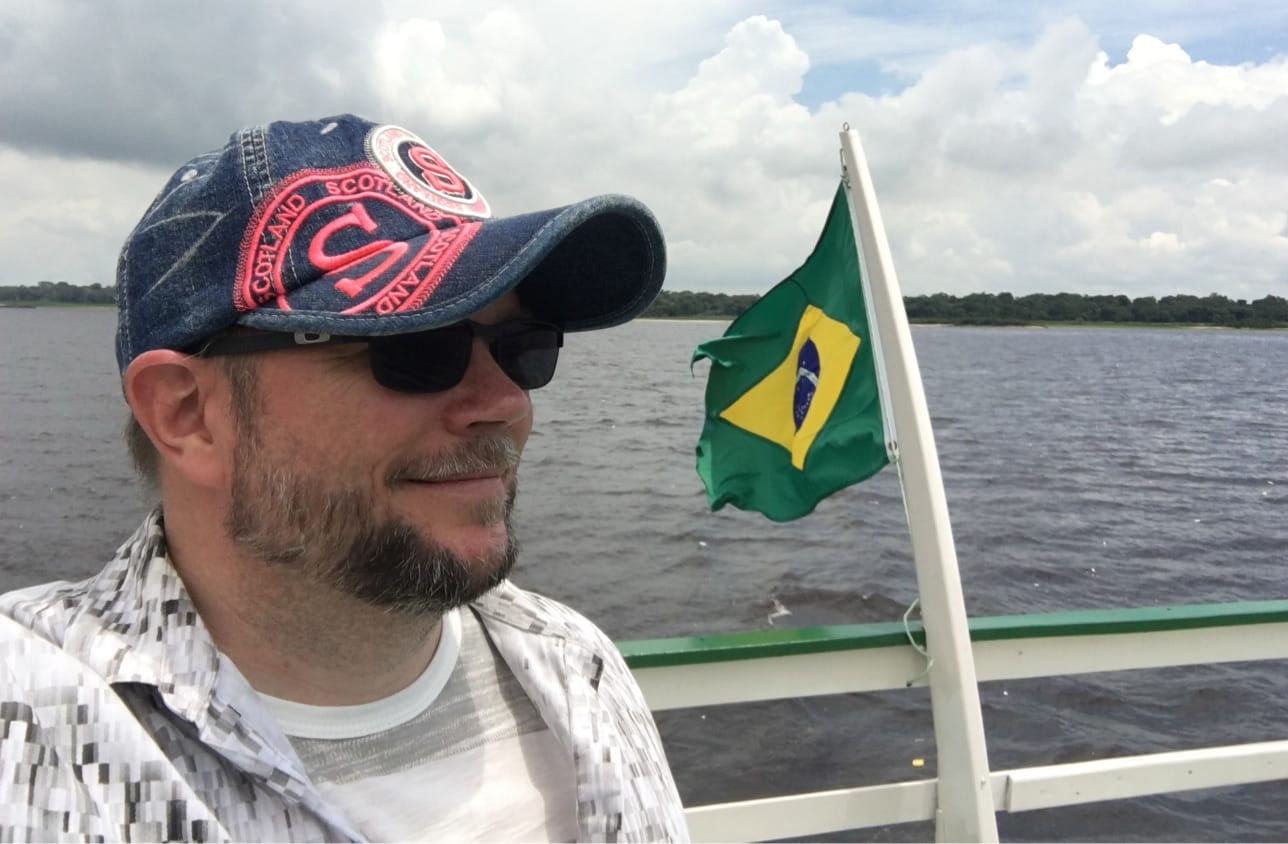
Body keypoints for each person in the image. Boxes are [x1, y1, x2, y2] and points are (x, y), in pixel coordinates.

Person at [0, 114, 689, 842]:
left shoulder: (578, 663)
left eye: (525, 348)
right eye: (420, 348)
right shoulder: (37, 721)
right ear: (188, 414)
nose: (506, 405)